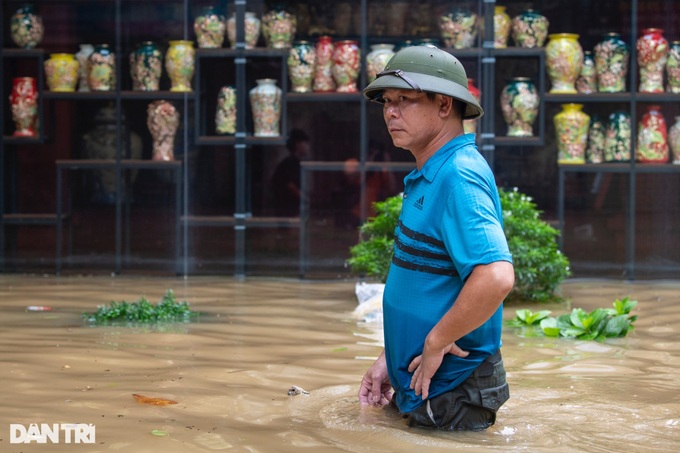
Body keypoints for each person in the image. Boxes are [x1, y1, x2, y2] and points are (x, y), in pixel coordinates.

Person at [357, 45, 515, 431]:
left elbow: (495, 276)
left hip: (452, 388)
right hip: (425, 383)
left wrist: (434, 343)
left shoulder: (458, 175)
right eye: (387, 102)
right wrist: (389, 356)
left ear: (444, 105)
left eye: (405, 100)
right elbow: (430, 281)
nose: (390, 112)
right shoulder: (433, 171)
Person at [269, 129, 311, 216]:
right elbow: (289, 184)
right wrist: (304, 198)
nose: (308, 147)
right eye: (306, 143)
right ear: (297, 144)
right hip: (287, 208)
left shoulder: (295, 162)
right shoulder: (291, 163)